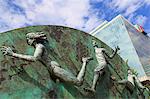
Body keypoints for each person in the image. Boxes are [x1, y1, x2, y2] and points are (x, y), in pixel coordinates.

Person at [1, 32, 92, 86]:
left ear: (33, 39)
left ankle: (84, 62)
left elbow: (34, 58)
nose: (27, 41)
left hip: (54, 69)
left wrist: (13, 54)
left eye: (28, 39)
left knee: (78, 82)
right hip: (52, 70)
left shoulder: (40, 46)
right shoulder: (38, 47)